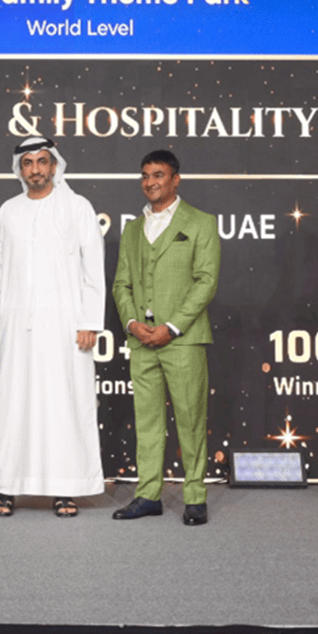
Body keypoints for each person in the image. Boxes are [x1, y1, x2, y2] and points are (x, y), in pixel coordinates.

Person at [0, 137, 106, 518]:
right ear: (20, 169)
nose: (35, 169)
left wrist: (89, 321)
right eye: (28, 162)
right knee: (15, 405)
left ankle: (65, 489)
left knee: (64, 405)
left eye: (42, 161)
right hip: (18, 330)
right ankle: (8, 487)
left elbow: (93, 268)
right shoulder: (8, 211)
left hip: (66, 329)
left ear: (54, 165)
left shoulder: (78, 208)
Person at [111, 150, 220, 526]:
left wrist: (172, 327)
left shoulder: (201, 222)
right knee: (147, 422)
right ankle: (148, 494)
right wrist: (131, 323)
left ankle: (195, 497)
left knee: (190, 420)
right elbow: (121, 283)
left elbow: (206, 281)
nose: (150, 182)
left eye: (158, 175)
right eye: (145, 175)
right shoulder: (131, 229)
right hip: (142, 340)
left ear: (175, 179)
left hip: (183, 341)